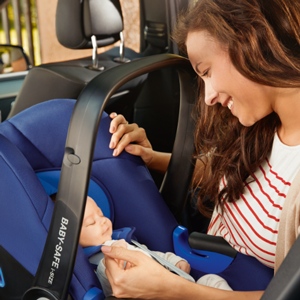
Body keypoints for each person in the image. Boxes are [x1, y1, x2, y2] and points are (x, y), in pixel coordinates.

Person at [100, 0, 300, 298]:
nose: (207, 97)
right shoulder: (264, 126)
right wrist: (151, 158)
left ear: (250, 44)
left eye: (206, 71)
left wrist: (172, 290)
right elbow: (226, 173)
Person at [78, 196, 232, 297]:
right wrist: (110, 260)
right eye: (91, 223)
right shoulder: (98, 264)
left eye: (101, 214)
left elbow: (153, 255)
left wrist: (174, 262)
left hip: (184, 287)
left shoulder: (124, 240)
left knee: (212, 280)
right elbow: (111, 285)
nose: (103, 221)